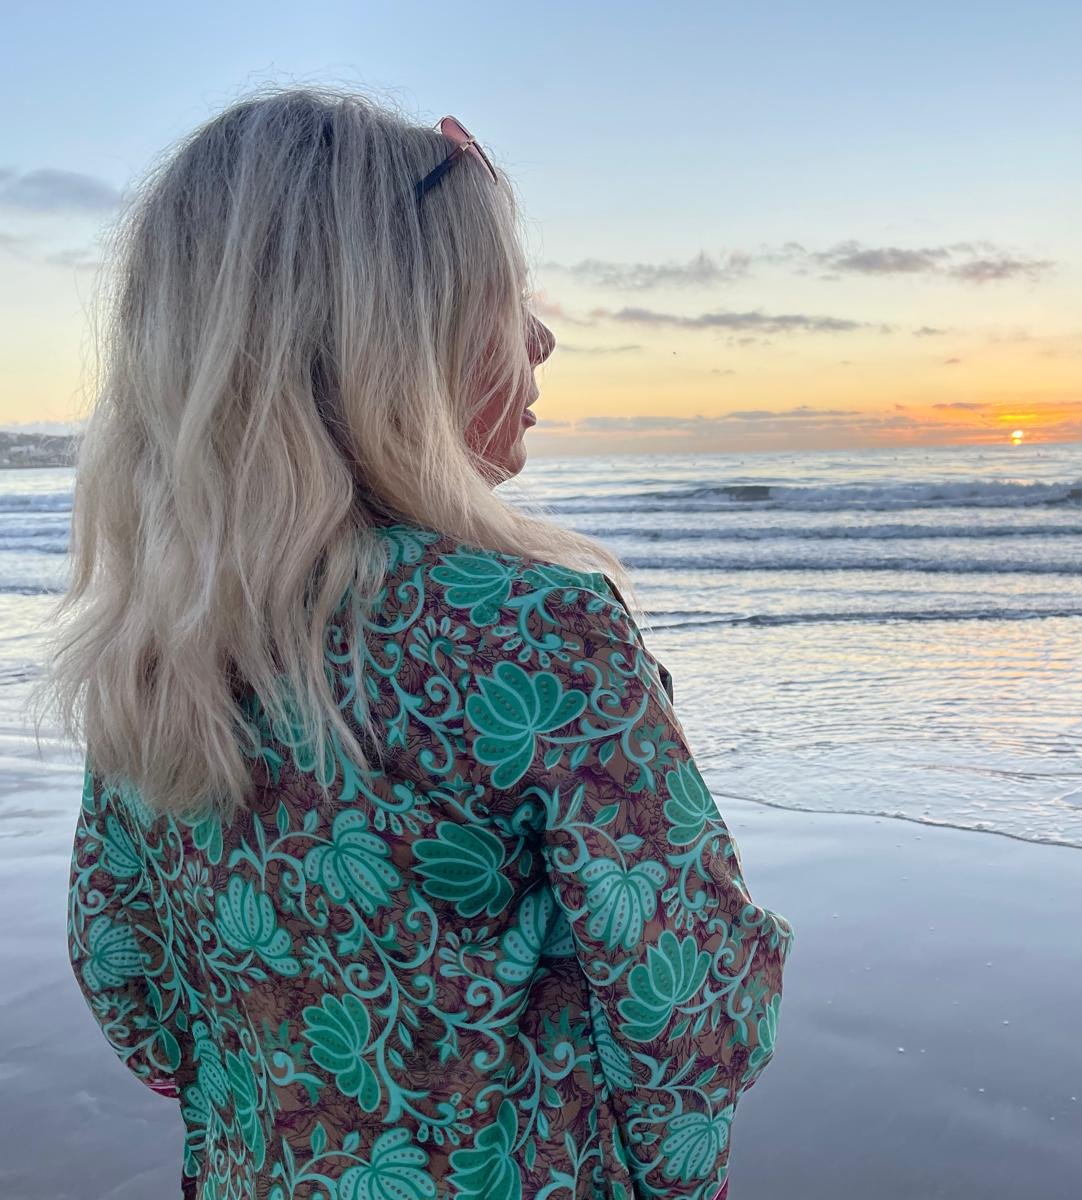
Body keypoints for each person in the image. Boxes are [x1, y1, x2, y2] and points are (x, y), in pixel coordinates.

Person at [46, 86, 791, 1200]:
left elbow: (129, 989)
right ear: (397, 336)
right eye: (501, 297)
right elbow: (695, 1012)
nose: (542, 336)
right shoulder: (540, 632)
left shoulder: (162, 647)